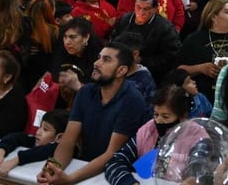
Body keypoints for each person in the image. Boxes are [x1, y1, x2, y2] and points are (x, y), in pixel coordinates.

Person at [38, 42, 148, 184]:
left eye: (106, 60)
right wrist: (52, 170)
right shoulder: (85, 92)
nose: (96, 63)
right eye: (98, 57)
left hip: (114, 175)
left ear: (121, 71)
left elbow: (111, 153)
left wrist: (70, 179)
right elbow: (69, 140)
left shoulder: (132, 100)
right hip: (84, 166)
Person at [105, 84, 209, 185]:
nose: (158, 121)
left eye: (165, 116)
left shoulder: (198, 137)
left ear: (182, 117)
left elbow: (198, 171)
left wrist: (192, 180)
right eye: (156, 114)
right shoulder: (148, 130)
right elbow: (115, 162)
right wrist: (129, 183)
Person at [111, 0, 181, 83]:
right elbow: (114, 42)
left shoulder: (165, 28)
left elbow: (170, 58)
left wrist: (141, 60)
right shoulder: (125, 20)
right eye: (138, 7)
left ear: (155, 8)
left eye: (146, 9)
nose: (141, 12)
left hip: (152, 77)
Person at [175, 0, 228, 104]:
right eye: (227, 12)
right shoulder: (194, 39)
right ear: (213, 17)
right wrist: (201, 68)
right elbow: (179, 70)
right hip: (203, 99)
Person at [0, 109, 69, 176]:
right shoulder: (37, 140)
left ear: (60, 137)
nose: (38, 132)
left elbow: (45, 150)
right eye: (40, 127)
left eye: (45, 129)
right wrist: (0, 152)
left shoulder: (61, 149)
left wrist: (17, 159)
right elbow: (16, 137)